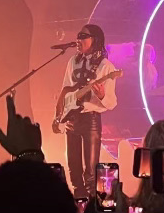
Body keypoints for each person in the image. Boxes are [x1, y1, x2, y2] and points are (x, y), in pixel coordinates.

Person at [52, 24, 118, 198]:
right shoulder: (73, 61)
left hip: (91, 120)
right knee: (74, 171)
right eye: (78, 36)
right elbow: (65, 91)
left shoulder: (106, 67)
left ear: (94, 40)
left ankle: (91, 207)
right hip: (71, 120)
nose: (78, 40)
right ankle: (78, 205)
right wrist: (58, 116)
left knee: (90, 174)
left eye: (83, 36)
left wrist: (102, 95)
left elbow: (111, 102)